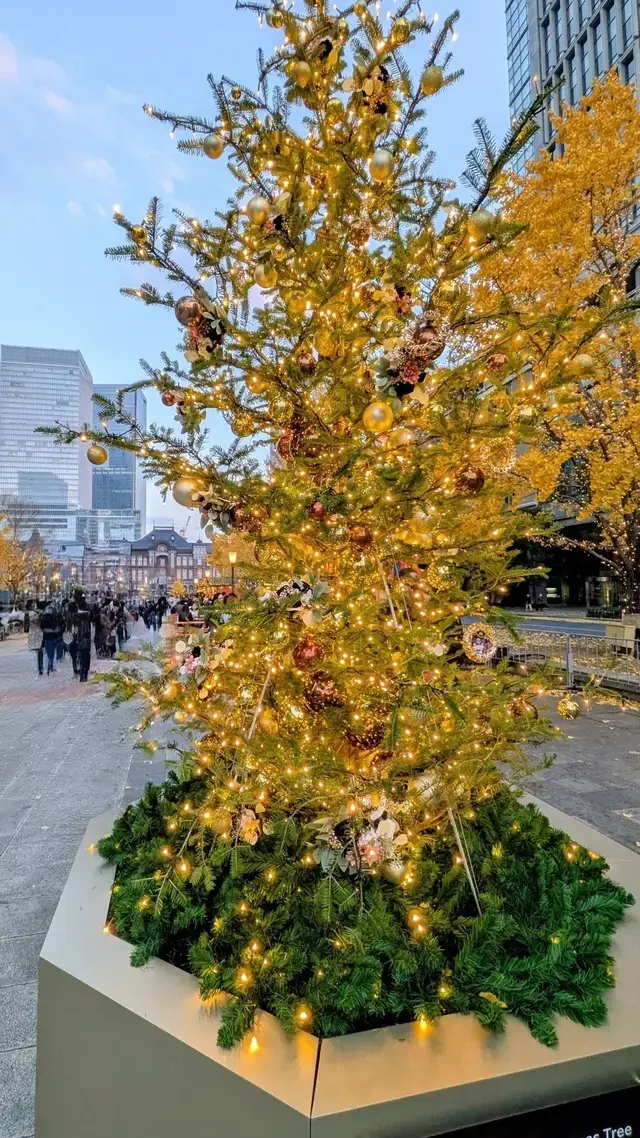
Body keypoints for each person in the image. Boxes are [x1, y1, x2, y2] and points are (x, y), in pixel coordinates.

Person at [73, 592, 93, 682]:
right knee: (85, 655)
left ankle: (81, 672)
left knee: (80, 655)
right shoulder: (87, 614)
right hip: (85, 636)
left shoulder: (75, 614)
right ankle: (84, 672)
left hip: (78, 637)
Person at [40, 602, 63, 675]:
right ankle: (51, 666)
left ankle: (50, 666)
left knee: (50, 654)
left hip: (49, 637)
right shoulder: (57, 614)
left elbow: (42, 627)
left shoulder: (44, 615)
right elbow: (62, 625)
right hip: (56, 637)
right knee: (55, 653)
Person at [26, 599, 45, 676]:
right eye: (33, 604)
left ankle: (40, 668)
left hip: (35, 632)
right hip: (37, 632)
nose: (34, 605)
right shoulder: (34, 613)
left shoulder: (31, 613)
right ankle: (40, 668)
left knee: (38, 651)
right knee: (39, 651)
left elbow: (26, 627)